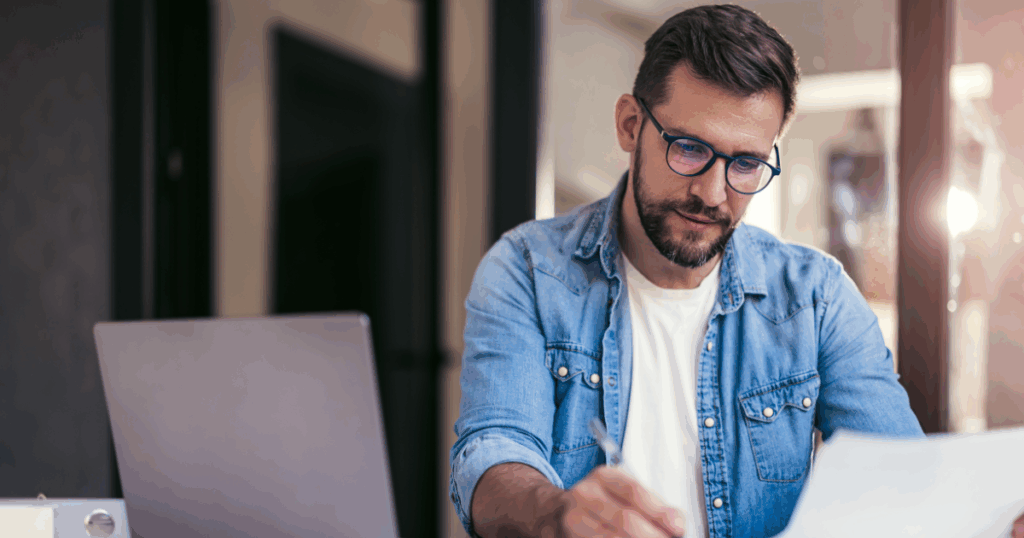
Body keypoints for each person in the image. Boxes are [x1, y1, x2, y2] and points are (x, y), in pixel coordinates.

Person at [449, 4, 1024, 538]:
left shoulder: (816, 298)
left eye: (746, 163)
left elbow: (903, 482)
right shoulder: (527, 269)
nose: (712, 193)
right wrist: (557, 515)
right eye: (690, 149)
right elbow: (493, 454)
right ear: (630, 125)